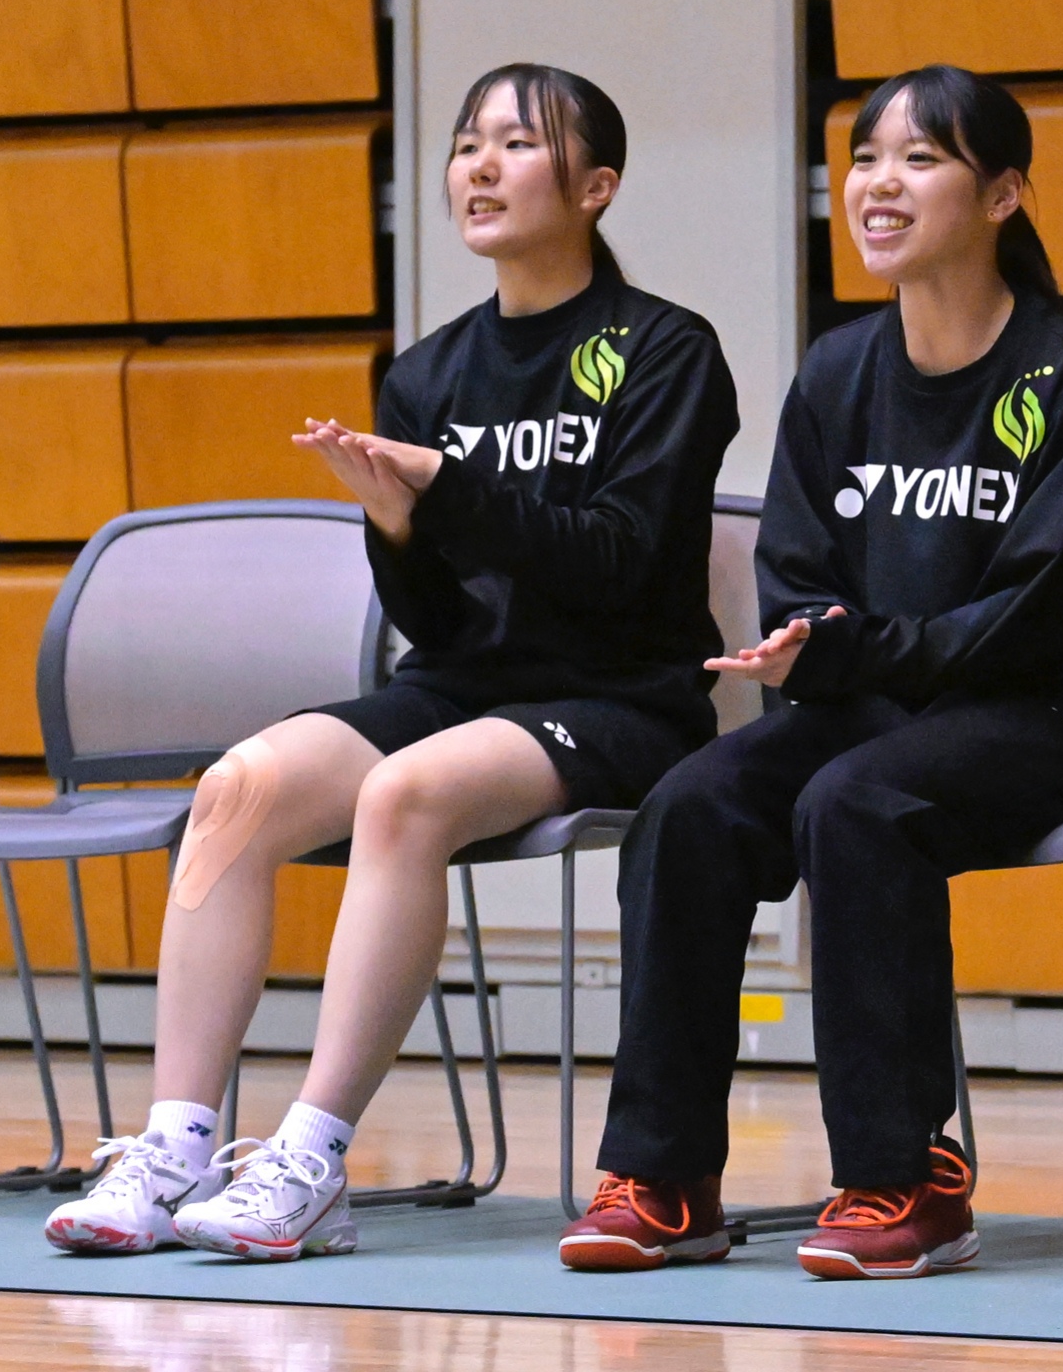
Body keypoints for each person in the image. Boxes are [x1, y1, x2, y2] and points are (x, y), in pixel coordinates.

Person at [44, 63, 739, 1260]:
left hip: (620, 696)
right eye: (466, 144)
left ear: (596, 187)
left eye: (515, 143)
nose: (478, 166)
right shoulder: (427, 372)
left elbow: (621, 564)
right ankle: (173, 1145)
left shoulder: (665, 350)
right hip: (465, 686)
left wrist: (448, 490)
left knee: (402, 793)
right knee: (236, 788)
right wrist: (401, 531)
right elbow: (438, 621)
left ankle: (309, 1157)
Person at [557, 65, 1063, 1281]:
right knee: (690, 805)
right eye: (866, 158)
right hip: (877, 706)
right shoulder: (837, 371)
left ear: (1002, 195)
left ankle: (904, 1175)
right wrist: (818, 647)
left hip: (1051, 708)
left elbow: (1034, 610)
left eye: (919, 159)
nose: (879, 184)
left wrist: (853, 650)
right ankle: (664, 1176)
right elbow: (798, 579)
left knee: (857, 801)